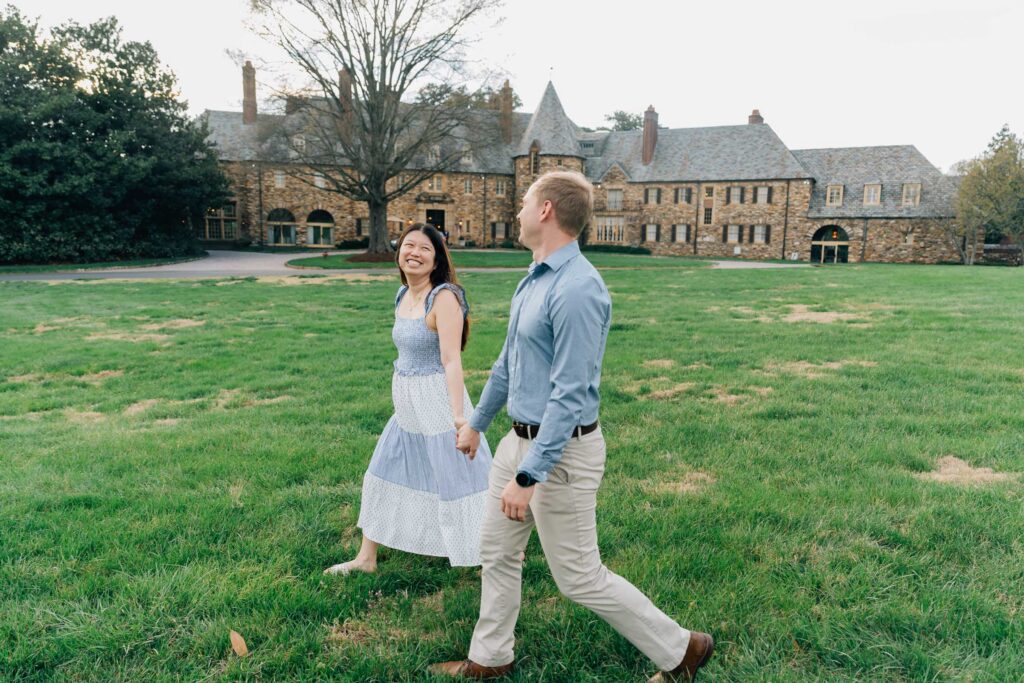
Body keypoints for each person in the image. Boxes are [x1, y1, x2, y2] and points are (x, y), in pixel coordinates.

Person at [429, 172, 714, 682]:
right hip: (518, 443)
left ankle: (683, 649)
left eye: (523, 202)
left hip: (559, 455)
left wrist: (528, 476)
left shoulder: (579, 288)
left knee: (579, 577)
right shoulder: (534, 275)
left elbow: (570, 395)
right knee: (495, 551)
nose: (517, 210)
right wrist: (477, 424)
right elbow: (507, 363)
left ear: (545, 211)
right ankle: (491, 659)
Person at [324, 223, 492, 575]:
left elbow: (451, 359)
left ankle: (495, 549)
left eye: (424, 249)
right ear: (399, 253)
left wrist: (460, 417)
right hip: (406, 401)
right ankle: (366, 558)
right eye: (408, 245)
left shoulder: (444, 297)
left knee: (458, 477)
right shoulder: (402, 295)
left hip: (436, 399)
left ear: (436, 259)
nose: (414, 253)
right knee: (386, 468)